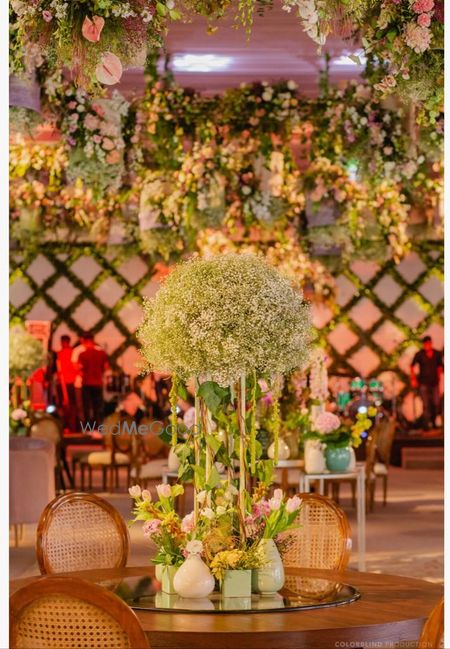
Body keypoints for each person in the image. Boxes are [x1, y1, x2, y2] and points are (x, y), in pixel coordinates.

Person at [411, 336, 444, 429]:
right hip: (423, 383)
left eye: (429, 343)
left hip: (435, 383)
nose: (427, 346)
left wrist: (440, 381)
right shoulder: (419, 354)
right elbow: (412, 365)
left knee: (436, 403)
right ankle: (427, 424)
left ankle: (434, 422)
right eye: (425, 344)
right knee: (426, 404)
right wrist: (413, 379)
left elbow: (440, 368)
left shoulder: (437, 354)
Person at [78, 333, 109, 428]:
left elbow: (79, 369)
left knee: (86, 407)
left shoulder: (82, 354)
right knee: (98, 407)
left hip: (86, 383)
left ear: (85, 342)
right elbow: (106, 367)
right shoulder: (102, 353)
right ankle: (98, 427)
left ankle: (87, 428)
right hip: (98, 383)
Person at [56, 335, 77, 431]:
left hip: (70, 382)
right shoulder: (59, 353)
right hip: (62, 382)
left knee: (71, 405)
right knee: (63, 405)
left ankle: (72, 425)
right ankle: (65, 424)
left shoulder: (72, 353)